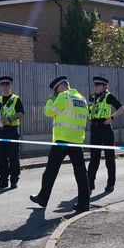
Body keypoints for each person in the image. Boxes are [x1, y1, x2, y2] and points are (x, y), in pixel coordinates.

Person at [30, 76, 90, 213]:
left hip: (62, 139)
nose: (56, 93)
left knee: (50, 171)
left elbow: (48, 112)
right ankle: (84, 203)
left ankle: (43, 198)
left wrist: (51, 98)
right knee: (81, 173)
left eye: (55, 90)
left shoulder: (64, 97)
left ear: (60, 87)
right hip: (77, 140)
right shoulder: (81, 98)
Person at [86, 75, 124, 193]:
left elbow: (121, 108)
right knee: (94, 158)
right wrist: (89, 118)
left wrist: (112, 118)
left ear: (104, 87)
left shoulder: (108, 97)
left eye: (97, 85)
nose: (95, 87)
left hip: (106, 128)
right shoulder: (92, 97)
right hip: (95, 129)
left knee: (109, 158)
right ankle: (90, 183)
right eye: (94, 85)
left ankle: (110, 184)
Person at [0, 75, 24, 189]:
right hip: (0, 131)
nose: (5, 87)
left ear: (11, 86)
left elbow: (20, 114)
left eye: (7, 84)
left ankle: (14, 180)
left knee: (13, 157)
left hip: (11, 131)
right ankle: (3, 180)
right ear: (0, 87)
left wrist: (9, 119)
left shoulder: (15, 99)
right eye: (3, 85)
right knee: (1, 157)